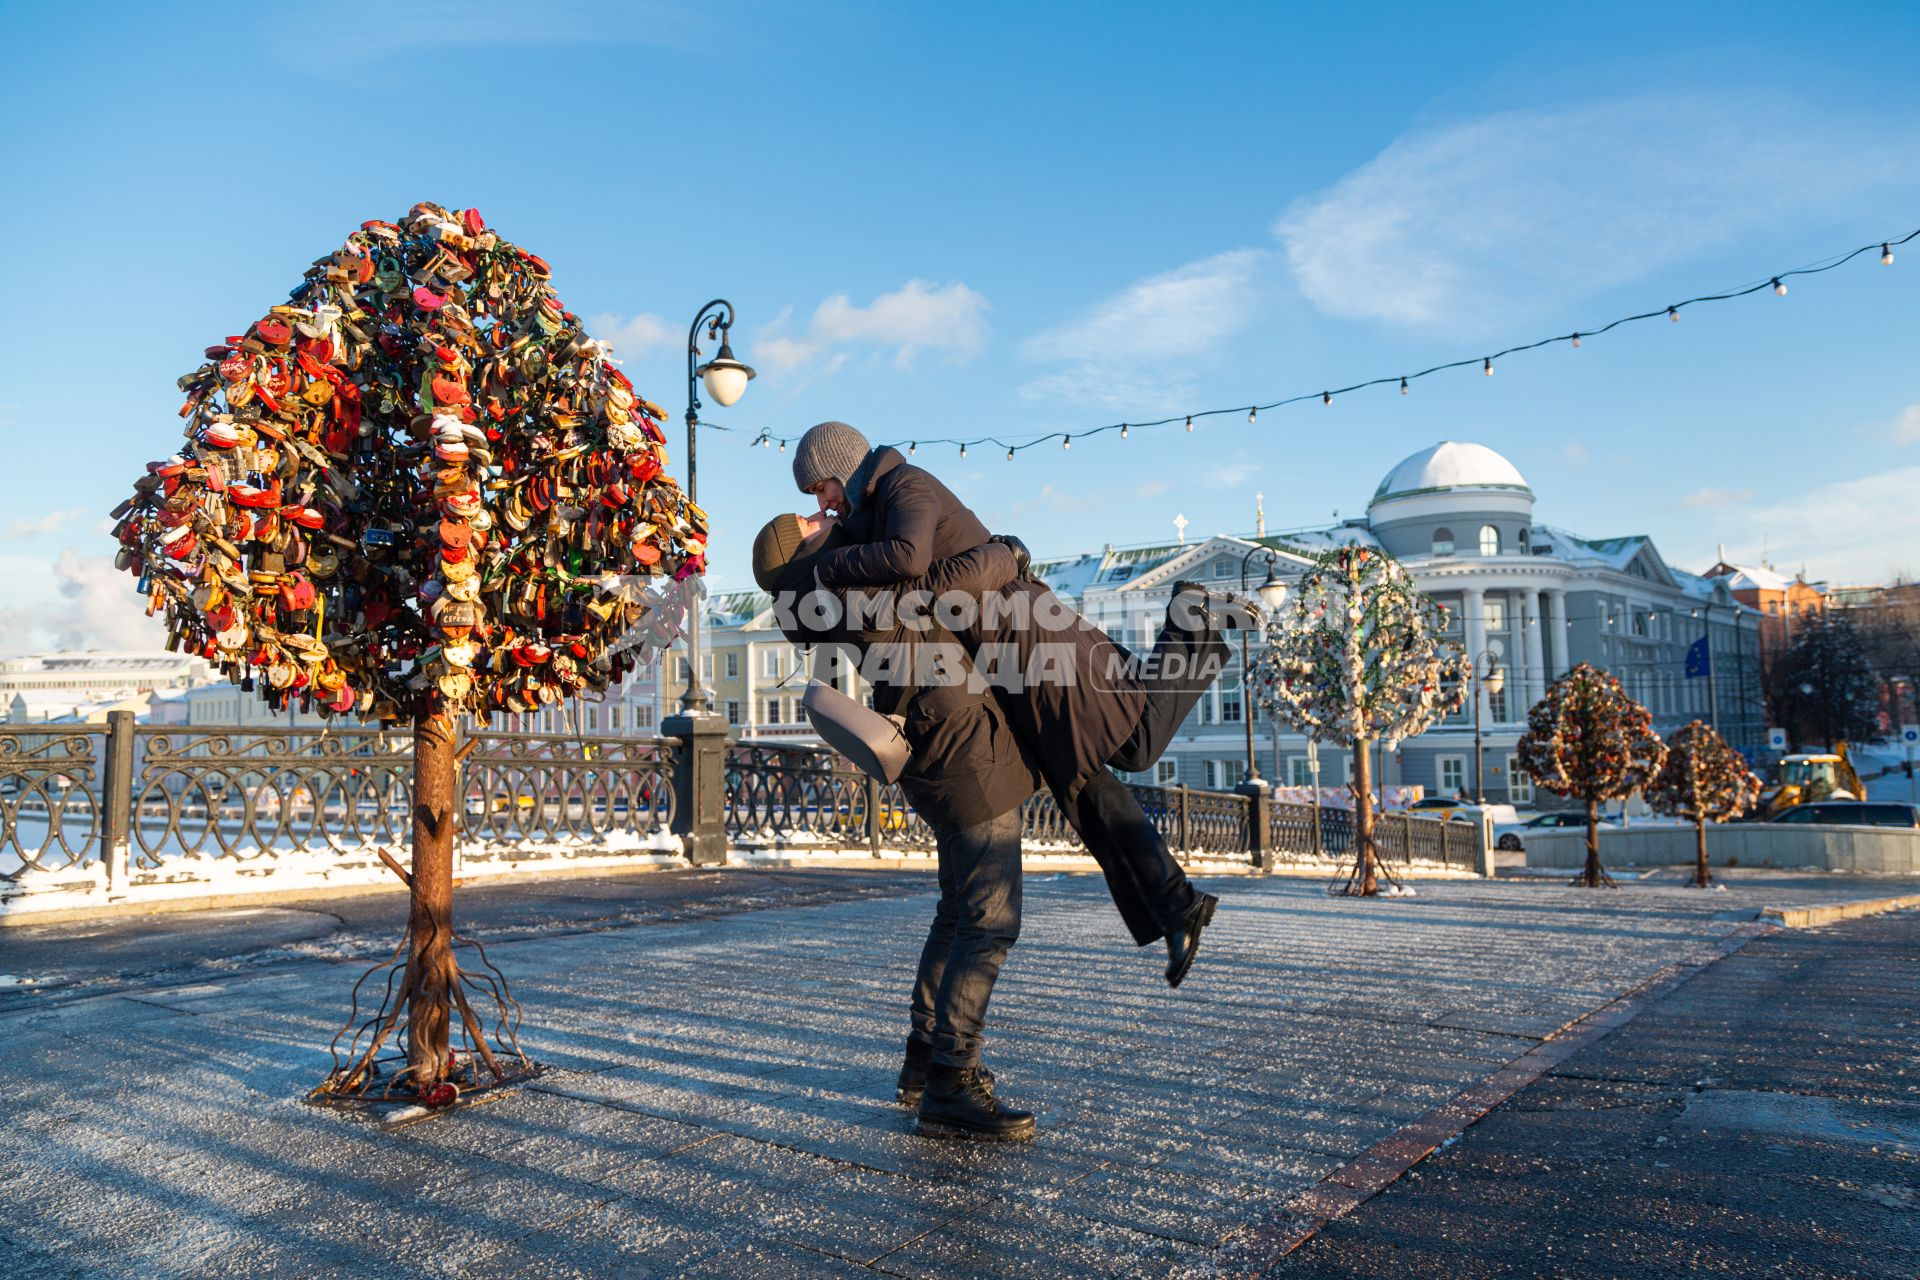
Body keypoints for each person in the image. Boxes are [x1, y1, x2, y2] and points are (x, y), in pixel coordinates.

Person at [789, 421, 1248, 989]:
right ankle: (1177, 907)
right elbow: (914, 589)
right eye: (813, 497)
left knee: (1135, 744)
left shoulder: (906, 484)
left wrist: (828, 567)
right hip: (1002, 660)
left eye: (820, 487)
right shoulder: (871, 519)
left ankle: (1192, 618)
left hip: (1029, 632)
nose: (821, 501)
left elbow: (911, 562)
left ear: (844, 465)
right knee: (1081, 784)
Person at [754, 512, 1039, 1140]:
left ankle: (923, 1056)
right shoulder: (855, 583)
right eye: (808, 520)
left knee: (958, 912)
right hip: (969, 759)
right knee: (990, 921)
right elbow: (941, 585)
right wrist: (1007, 555)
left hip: (941, 758)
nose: (824, 515)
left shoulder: (835, 594)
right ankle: (951, 1082)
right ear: (800, 549)